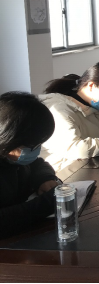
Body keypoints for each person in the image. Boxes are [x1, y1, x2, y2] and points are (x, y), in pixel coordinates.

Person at [0, 92, 58, 239]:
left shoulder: (10, 157)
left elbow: (38, 164)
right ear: (8, 138)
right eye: (32, 146)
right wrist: (47, 203)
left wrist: (44, 178)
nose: (36, 150)